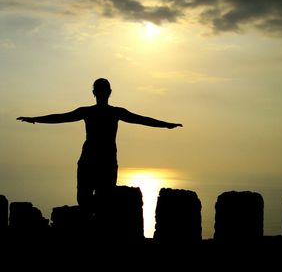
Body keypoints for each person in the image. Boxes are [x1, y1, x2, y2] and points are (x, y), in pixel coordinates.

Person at [17, 78, 182, 217]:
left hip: (94, 160)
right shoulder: (112, 112)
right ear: (109, 92)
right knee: (98, 203)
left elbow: (61, 117)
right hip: (103, 161)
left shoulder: (91, 112)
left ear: (94, 93)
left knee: (90, 202)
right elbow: (142, 119)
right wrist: (166, 125)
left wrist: (35, 119)